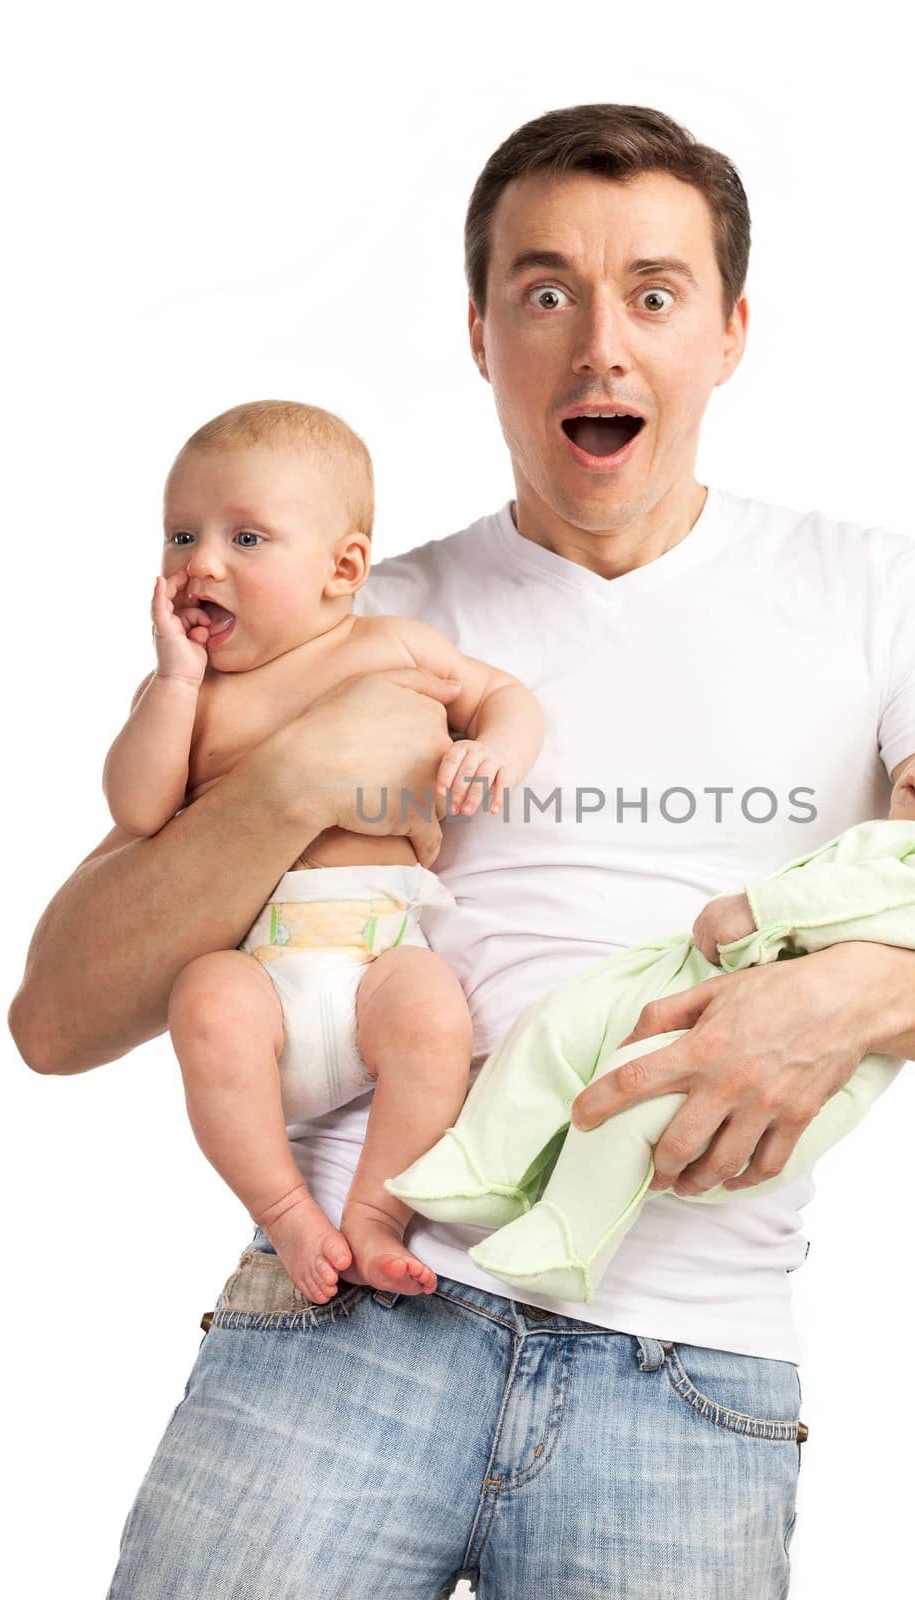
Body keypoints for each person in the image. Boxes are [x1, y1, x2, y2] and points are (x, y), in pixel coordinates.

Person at [10, 105, 915, 1599]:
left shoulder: (871, 595)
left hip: (689, 1375)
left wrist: (834, 1004)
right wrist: (288, 773)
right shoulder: (356, 625)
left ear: (731, 332)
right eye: (545, 292)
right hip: (345, 1316)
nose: (599, 345)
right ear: (482, 334)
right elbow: (55, 1017)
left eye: (655, 294)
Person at [389, 696, 915, 1305]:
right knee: (559, 1022)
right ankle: (486, 1163)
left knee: (635, 1108)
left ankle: (568, 1237)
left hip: (762, 1065)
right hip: (690, 981)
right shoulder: (913, 841)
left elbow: (857, 902)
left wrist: (763, 908)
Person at [103, 399, 544, 1306]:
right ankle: (285, 1208)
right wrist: (174, 685)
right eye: (179, 535)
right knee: (205, 997)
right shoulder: (190, 697)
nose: (201, 563)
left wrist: (493, 748)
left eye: (246, 538)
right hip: (263, 979)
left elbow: (506, 696)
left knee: (434, 1012)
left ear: (343, 568)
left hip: (378, 963)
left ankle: (374, 1213)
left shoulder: (390, 649)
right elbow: (139, 808)